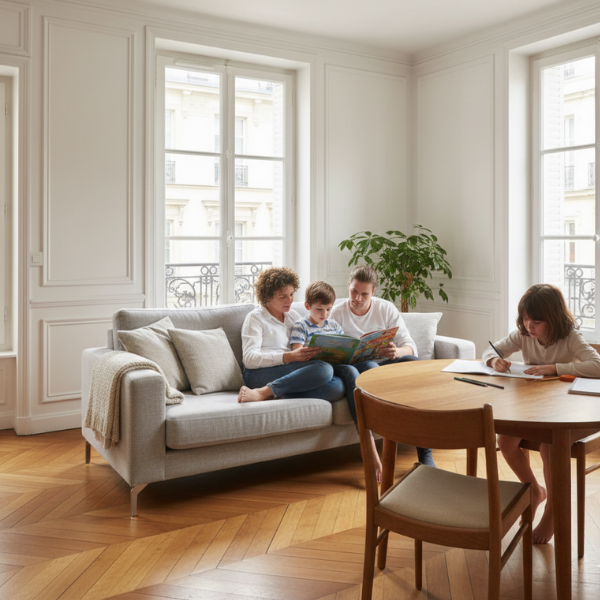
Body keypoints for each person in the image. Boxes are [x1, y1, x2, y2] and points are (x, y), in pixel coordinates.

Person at [482, 283, 600, 544]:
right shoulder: (523, 335)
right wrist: (494, 361)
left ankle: (552, 510)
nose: (528, 326)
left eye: (536, 321)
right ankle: (535, 490)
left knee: (549, 448)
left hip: (561, 408)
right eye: (524, 319)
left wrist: (555, 368)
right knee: (504, 441)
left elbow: (598, 365)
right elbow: (490, 349)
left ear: (554, 319)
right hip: (529, 406)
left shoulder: (570, 337)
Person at [330, 265, 436, 468]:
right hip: (360, 367)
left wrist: (397, 352)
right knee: (370, 366)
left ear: (374, 292)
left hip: (387, 362)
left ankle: (425, 453)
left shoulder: (385, 308)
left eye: (364, 294)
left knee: (413, 365)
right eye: (354, 291)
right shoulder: (337, 313)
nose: (357, 298)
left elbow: (410, 346)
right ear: (348, 286)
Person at [290, 281, 384, 480]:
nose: (324, 314)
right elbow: (296, 353)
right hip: (321, 369)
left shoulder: (333, 324)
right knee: (350, 372)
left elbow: (345, 347)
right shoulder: (300, 325)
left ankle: (379, 415)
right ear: (307, 306)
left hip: (338, 364)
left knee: (370, 367)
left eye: (328, 309)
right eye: (319, 309)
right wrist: (310, 352)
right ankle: (370, 450)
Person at [237, 267, 345, 404]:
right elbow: (249, 359)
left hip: (290, 372)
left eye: (291, 294)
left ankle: (277, 393)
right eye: (282, 296)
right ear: (268, 296)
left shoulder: (293, 315)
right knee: (324, 369)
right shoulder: (255, 318)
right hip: (259, 374)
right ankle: (262, 392)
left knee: (337, 387)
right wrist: (289, 356)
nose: (289, 300)